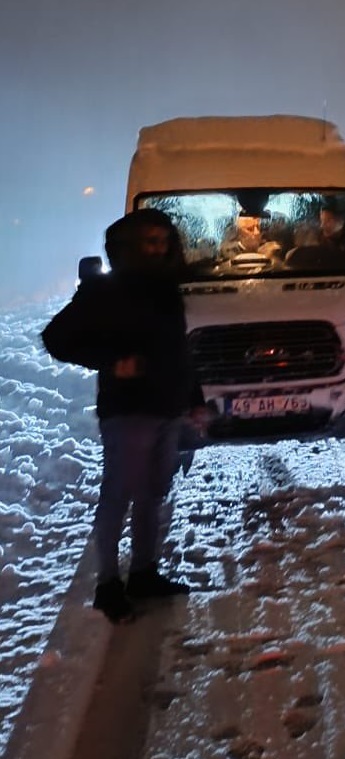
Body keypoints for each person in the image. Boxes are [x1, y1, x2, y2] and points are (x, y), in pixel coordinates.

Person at [41, 209, 208, 624]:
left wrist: (195, 398)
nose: (158, 247)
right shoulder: (103, 290)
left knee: (152, 494)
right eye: (148, 241)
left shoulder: (167, 290)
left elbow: (178, 350)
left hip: (168, 408)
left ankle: (144, 573)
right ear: (129, 246)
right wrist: (111, 362)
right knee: (119, 494)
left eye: (162, 240)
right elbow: (56, 338)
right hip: (128, 411)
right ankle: (107, 584)